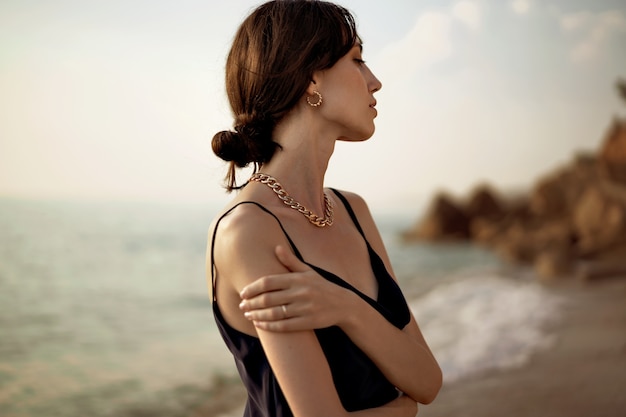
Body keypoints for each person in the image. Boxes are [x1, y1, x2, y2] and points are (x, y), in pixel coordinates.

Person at [207, 1, 442, 416]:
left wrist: (345, 307)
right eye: (357, 60)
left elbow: (427, 381)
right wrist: (402, 410)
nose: (375, 82)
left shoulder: (353, 210)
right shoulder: (249, 231)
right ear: (312, 79)